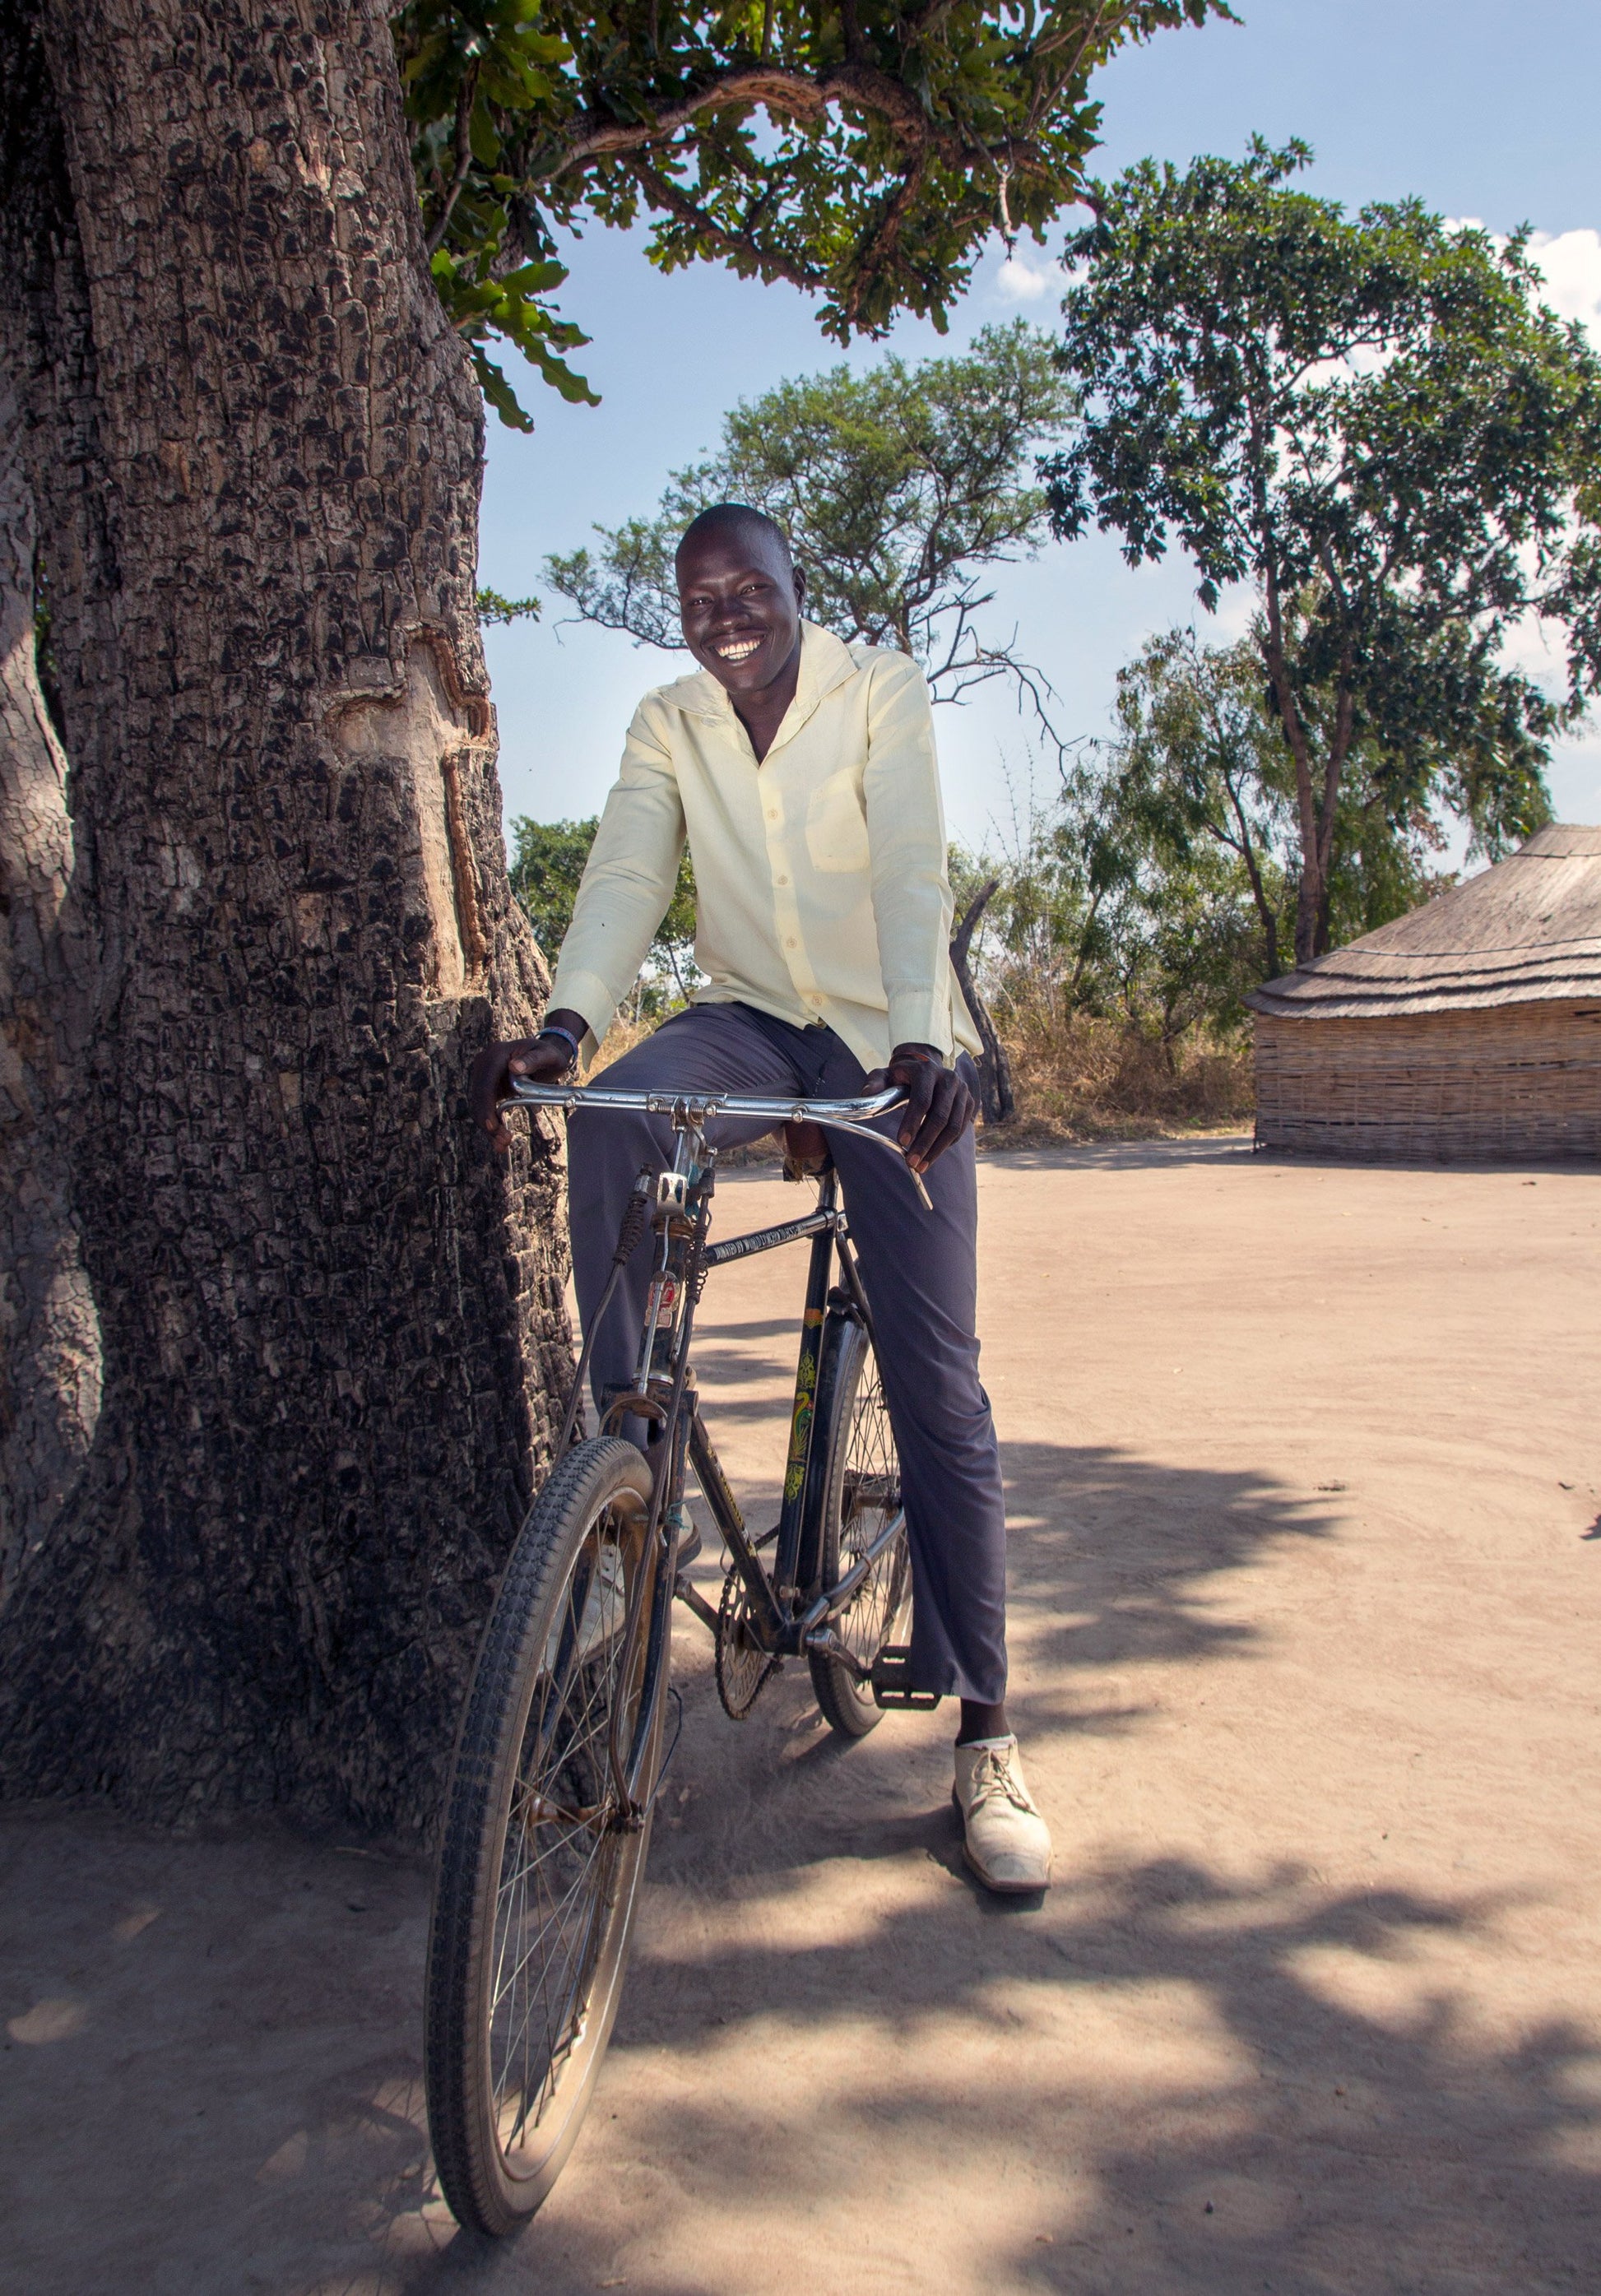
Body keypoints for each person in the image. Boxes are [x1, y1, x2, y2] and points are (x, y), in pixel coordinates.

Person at [471, 503, 1051, 1894]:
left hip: (881, 1044)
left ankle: (986, 1729)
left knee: (938, 1390)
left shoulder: (878, 692)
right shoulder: (669, 721)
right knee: (612, 1113)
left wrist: (923, 1033)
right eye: (698, 595)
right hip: (745, 1020)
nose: (724, 612)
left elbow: (912, 862)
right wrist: (565, 1019)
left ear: (799, 588)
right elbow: (626, 869)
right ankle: (634, 1478)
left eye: (749, 588)